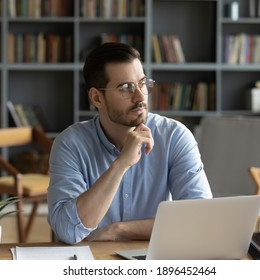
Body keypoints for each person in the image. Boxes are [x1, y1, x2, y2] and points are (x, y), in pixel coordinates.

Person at [47, 42, 212, 244]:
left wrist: (119, 230)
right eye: (126, 87)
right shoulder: (70, 144)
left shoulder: (175, 137)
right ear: (97, 98)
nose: (140, 96)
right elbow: (68, 231)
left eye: (142, 83)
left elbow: (201, 219)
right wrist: (121, 163)